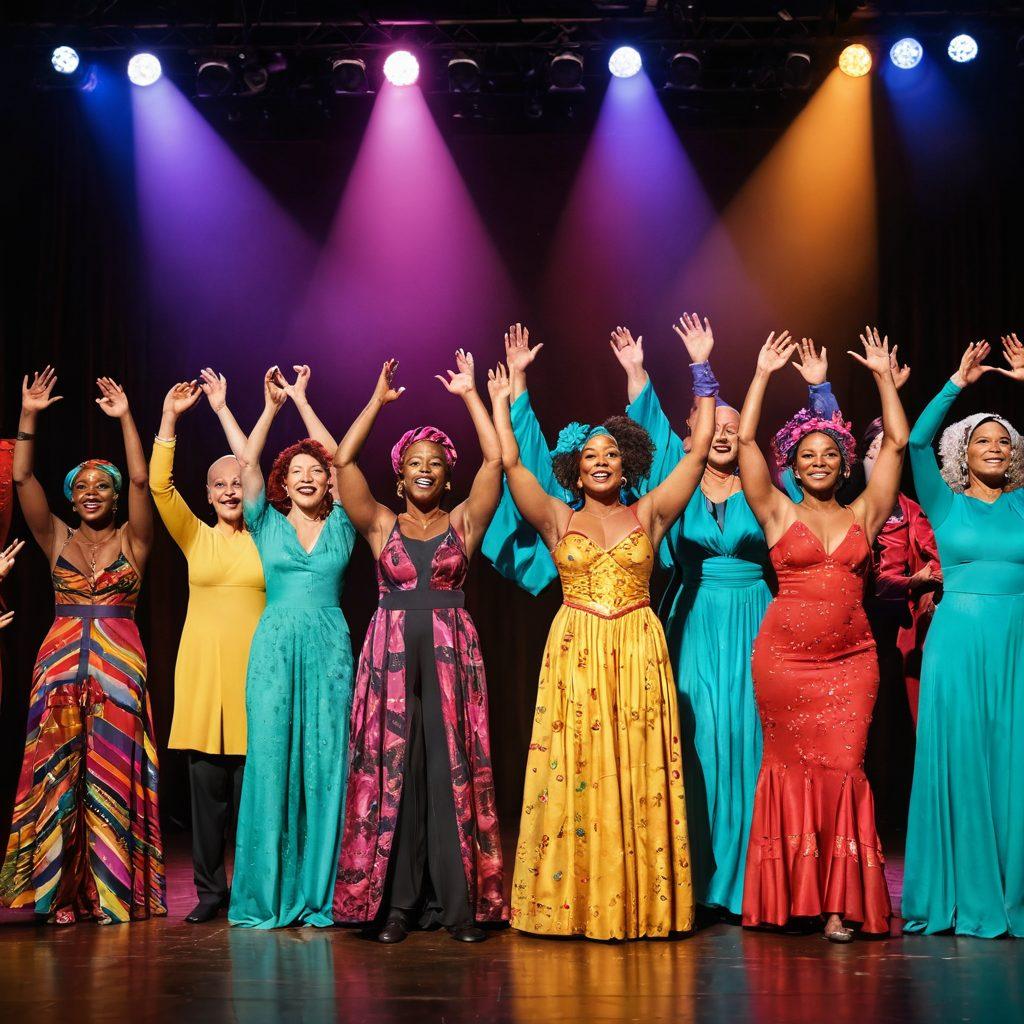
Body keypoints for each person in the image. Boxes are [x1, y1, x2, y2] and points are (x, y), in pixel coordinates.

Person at [609, 317, 841, 918]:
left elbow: (828, 460)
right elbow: (646, 426)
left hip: (759, 621)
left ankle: (752, 881)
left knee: (754, 741)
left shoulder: (768, 487)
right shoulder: (675, 479)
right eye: (715, 424)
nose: (724, 434)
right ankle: (700, 879)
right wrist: (639, 372)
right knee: (700, 740)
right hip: (692, 619)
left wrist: (820, 390)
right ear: (693, 430)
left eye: (736, 428)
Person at [491, 331, 718, 941]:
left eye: (611, 453)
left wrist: (701, 367)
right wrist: (510, 392)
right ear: (575, 465)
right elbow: (511, 465)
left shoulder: (649, 513)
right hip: (577, 652)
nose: (600, 460)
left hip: (638, 648)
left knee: (636, 766)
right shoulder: (556, 517)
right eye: (590, 454)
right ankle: (572, 900)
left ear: (626, 463)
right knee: (577, 768)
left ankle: (639, 900)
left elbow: (697, 453)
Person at [737, 327, 908, 942]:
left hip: (852, 660)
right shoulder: (777, 511)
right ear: (793, 464)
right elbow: (745, 441)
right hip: (784, 662)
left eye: (829, 454)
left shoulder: (865, 512)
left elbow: (898, 442)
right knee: (788, 768)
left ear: (843, 463)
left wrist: (883, 378)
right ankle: (792, 900)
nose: (818, 462)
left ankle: (838, 905)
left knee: (843, 768)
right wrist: (761, 373)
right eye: (807, 455)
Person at [332, 351, 505, 943]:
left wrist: (471, 395)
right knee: (396, 771)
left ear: (447, 477)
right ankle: (396, 906)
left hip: (454, 658)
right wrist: (377, 402)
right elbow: (342, 460)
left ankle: (459, 907)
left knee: (451, 770)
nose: (424, 469)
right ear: (400, 475)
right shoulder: (381, 524)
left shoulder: (464, 523)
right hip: (390, 660)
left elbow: (495, 460)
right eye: (414, 462)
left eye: (435, 463)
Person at [0, 368, 165, 924]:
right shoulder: (56, 538)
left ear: (115, 498)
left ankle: (110, 892)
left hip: (119, 668)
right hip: (59, 666)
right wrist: (29, 414)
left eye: (102, 486)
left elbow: (142, 480)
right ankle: (60, 893)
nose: (91, 493)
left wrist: (126, 418)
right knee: (57, 775)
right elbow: (23, 478)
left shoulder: (134, 541)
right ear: (71, 498)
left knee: (112, 773)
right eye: (81, 487)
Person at [221, 365, 356, 929]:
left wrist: (302, 400)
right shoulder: (265, 523)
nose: (307, 477)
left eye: (314, 471)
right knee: (272, 763)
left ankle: (321, 891)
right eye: (296, 471)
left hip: (329, 649)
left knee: (326, 765)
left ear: (327, 481)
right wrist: (270, 408)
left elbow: (340, 458)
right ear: (284, 481)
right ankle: (268, 894)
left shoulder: (344, 521)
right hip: (274, 649)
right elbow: (247, 462)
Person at [903, 336, 1024, 938]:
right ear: (963, 452)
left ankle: (1011, 888)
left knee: (1013, 762)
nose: (996, 447)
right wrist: (957, 383)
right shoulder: (944, 504)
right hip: (957, 645)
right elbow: (914, 442)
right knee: (964, 758)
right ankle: (963, 891)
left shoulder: (1022, 506)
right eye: (983, 440)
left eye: (1004, 440)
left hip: (1015, 644)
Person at [150, 375, 266, 924]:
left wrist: (232, 411)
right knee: (206, 801)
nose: (229, 491)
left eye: (237, 483)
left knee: (253, 804)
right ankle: (209, 893)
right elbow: (158, 487)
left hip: (254, 684)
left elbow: (254, 467)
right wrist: (170, 419)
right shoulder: (195, 536)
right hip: (204, 684)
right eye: (219, 484)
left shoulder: (268, 538)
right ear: (207, 493)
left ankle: (251, 891)